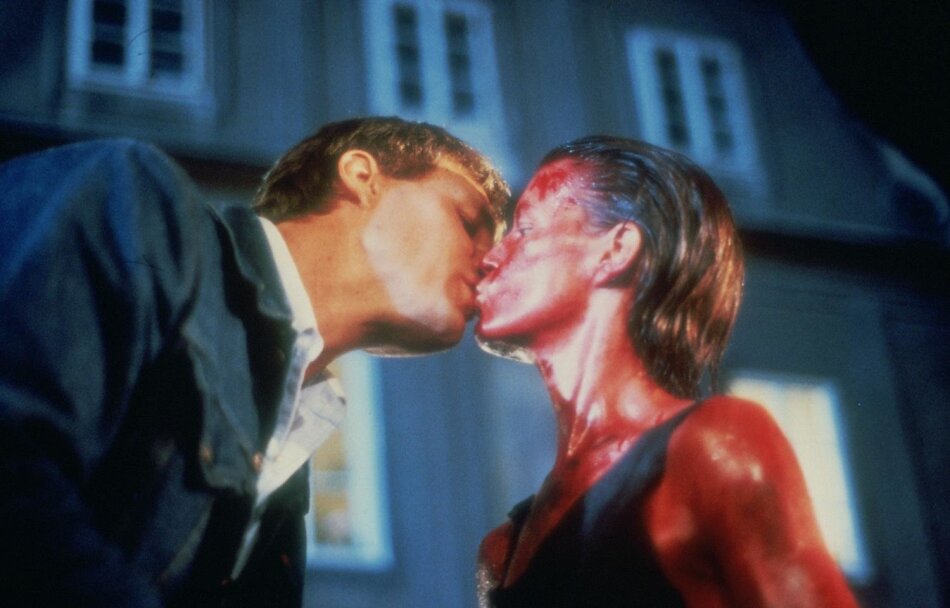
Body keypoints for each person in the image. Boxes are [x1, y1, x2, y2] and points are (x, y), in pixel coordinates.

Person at [0, 116, 508, 607]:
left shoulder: (289, 461)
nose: (492, 264)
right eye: (468, 222)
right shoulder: (137, 204)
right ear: (361, 175)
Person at [475, 136, 857, 607]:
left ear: (616, 250)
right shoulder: (502, 551)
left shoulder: (715, 446)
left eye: (525, 228)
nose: (490, 257)